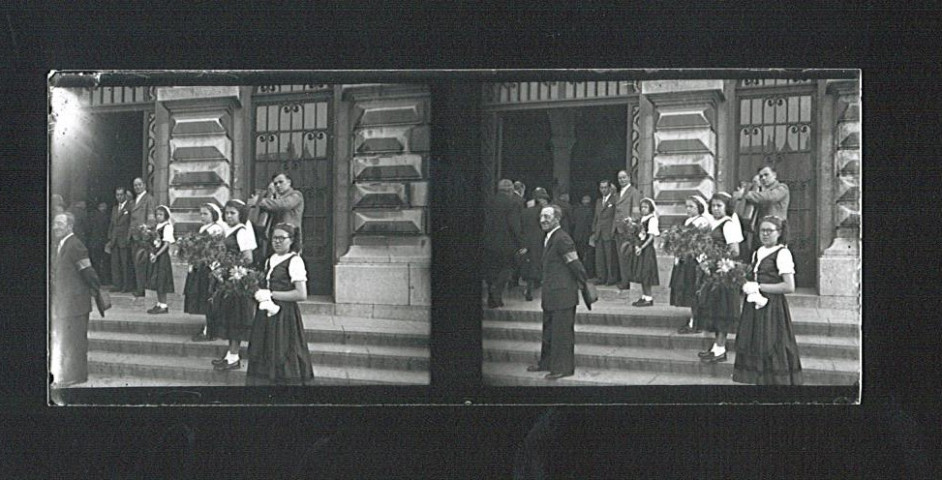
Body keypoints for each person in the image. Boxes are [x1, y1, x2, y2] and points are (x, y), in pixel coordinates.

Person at [732, 216, 803, 385]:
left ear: (779, 233)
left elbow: (789, 287)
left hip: (772, 307)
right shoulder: (758, 252)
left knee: (772, 342)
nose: (764, 234)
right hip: (754, 305)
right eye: (762, 230)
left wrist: (759, 287)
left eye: (769, 231)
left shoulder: (782, 253)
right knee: (755, 341)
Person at [526, 204, 591, 381]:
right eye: (541, 216)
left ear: (557, 219)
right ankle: (546, 363)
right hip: (551, 294)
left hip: (563, 295)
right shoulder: (549, 237)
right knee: (549, 332)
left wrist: (583, 282)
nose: (542, 220)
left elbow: (576, 265)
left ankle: (563, 368)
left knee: (562, 334)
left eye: (547, 217)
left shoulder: (562, 239)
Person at [246, 223, 315, 385]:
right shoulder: (271, 259)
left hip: (285, 315)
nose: (277, 242)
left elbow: (301, 294)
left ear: (291, 240)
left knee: (283, 352)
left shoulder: (295, 261)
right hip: (266, 313)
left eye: (281, 238)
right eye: (274, 238)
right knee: (265, 350)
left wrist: (271, 294)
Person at [50, 212, 104, 387]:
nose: (56, 227)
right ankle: (69, 374)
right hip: (65, 304)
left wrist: (96, 289)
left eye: (60, 223)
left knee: (75, 341)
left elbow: (88, 272)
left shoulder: (75, 245)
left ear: (69, 226)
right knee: (67, 340)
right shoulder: (62, 244)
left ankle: (77, 376)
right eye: (55, 223)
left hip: (76, 304)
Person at [696, 192, 744, 364]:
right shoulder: (712, 223)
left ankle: (721, 349)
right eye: (714, 205)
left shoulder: (728, 224)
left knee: (722, 310)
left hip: (723, 273)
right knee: (714, 310)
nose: (715, 209)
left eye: (719, 206)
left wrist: (718, 261)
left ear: (726, 207)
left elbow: (735, 250)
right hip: (712, 272)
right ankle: (716, 347)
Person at [211, 199, 258, 371]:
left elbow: (248, 258)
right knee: (230, 319)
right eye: (227, 213)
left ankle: (234, 358)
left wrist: (233, 271)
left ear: (240, 215)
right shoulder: (228, 230)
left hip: (236, 282)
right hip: (227, 280)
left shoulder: (242, 231)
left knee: (235, 320)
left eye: (233, 213)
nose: (228, 216)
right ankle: (230, 355)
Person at [673, 195, 712, 334]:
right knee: (690, 291)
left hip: (695, 260)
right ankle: (693, 319)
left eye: (691, 207)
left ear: (699, 208)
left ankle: (696, 322)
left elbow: (699, 243)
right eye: (687, 206)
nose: (688, 209)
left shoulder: (702, 221)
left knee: (695, 290)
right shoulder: (688, 220)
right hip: (687, 259)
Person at [483, 179, 525, 308]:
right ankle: (496, 291)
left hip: (488, 241)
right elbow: (514, 225)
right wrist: (521, 243)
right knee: (507, 268)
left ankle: (493, 299)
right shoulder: (513, 203)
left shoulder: (489, 201)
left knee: (491, 269)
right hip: (506, 242)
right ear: (510, 190)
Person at [187, 203, 226, 341]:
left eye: (205, 214)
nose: (202, 217)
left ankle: (211, 329)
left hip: (210, 266)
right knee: (204, 297)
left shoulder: (216, 229)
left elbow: (214, 250)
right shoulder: (203, 228)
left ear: (213, 215)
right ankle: (207, 326)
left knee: (209, 297)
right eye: (201, 214)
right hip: (201, 265)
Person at [734, 164, 790, 252]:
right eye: (761, 176)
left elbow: (769, 197)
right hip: (761, 228)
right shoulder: (760, 191)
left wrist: (746, 194)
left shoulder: (782, 188)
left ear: (774, 175)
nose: (763, 178)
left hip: (776, 227)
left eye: (766, 175)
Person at [252, 172, 304, 247]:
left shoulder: (296, 195)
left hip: (289, 237)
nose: (278, 185)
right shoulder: (275, 198)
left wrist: (259, 201)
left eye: (281, 182)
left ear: (289, 182)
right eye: (275, 184)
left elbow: (284, 204)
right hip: (274, 237)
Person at [611, 169, 642, 290]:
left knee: (627, 257)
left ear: (629, 178)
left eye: (624, 177)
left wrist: (631, 227)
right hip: (618, 229)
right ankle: (624, 279)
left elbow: (635, 211)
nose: (622, 180)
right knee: (621, 257)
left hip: (627, 230)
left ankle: (627, 281)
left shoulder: (634, 192)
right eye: (619, 178)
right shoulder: (618, 194)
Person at [127, 177, 157, 298]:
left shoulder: (148, 199)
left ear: (144, 185)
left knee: (142, 264)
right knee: (137, 264)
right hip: (134, 237)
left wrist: (147, 232)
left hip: (142, 237)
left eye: (139, 185)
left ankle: (142, 289)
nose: (137, 187)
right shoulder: (134, 201)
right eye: (135, 185)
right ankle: (140, 287)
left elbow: (151, 218)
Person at [520, 187, 551, 301]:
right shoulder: (544, 212)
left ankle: (529, 286)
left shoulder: (525, 211)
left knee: (529, 263)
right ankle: (536, 284)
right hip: (540, 240)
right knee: (538, 263)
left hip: (527, 240)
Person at [629, 198, 660, 307]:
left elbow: (651, 237)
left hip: (647, 249)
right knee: (641, 272)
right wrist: (636, 245)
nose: (643, 209)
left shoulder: (652, 219)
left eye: (646, 207)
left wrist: (642, 247)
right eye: (642, 207)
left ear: (650, 208)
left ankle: (649, 297)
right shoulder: (642, 219)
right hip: (640, 248)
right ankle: (644, 295)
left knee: (646, 273)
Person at [145, 206, 175, 314]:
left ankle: (164, 304)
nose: (158, 217)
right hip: (155, 255)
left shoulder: (167, 227)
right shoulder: (157, 226)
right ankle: (159, 303)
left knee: (162, 280)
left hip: (162, 256)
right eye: (157, 214)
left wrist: (157, 254)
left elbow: (166, 244)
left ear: (166, 215)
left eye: (161, 214)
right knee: (157, 280)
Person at [106, 186, 133, 293]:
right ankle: (117, 284)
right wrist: (109, 238)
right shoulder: (114, 208)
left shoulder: (130, 207)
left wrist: (128, 237)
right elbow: (112, 224)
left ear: (125, 195)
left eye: (121, 194)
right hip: (114, 239)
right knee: (115, 264)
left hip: (124, 239)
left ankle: (126, 286)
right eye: (117, 195)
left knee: (125, 264)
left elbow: (131, 223)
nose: (119, 197)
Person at [591, 179, 618, 286]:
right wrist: (593, 231)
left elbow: (616, 216)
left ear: (609, 188)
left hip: (609, 232)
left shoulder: (614, 200)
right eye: (601, 188)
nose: (603, 190)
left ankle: (611, 278)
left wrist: (613, 230)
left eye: (605, 187)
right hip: (599, 232)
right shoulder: (598, 201)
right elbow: (596, 217)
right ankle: (601, 277)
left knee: (610, 257)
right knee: (599, 257)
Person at [87, 201, 111, 286]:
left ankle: (96, 281)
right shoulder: (105, 217)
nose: (104, 208)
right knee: (103, 262)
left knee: (96, 262)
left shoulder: (92, 216)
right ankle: (104, 280)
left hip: (94, 242)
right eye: (103, 206)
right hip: (101, 242)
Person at [571, 194, 595, 277]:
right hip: (585, 236)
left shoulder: (576, 210)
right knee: (587, 256)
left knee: (581, 255)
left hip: (579, 235)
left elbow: (573, 222)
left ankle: (580, 273)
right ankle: (587, 273)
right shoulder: (590, 210)